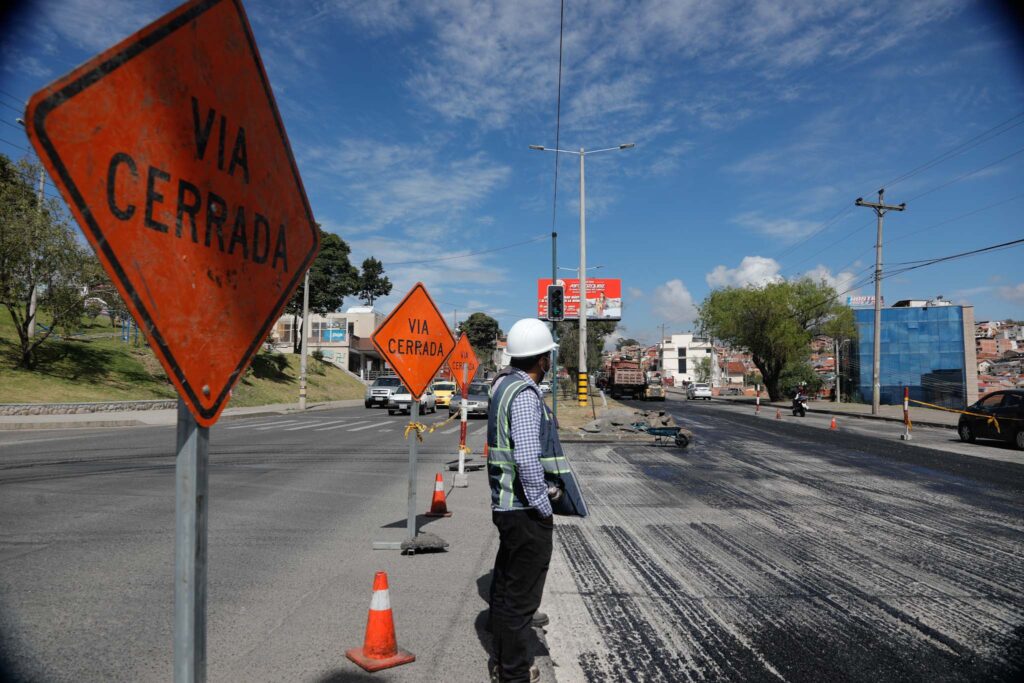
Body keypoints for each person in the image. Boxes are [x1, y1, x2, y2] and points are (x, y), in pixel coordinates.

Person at [486, 318, 585, 683]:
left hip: (506, 505)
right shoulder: (525, 394)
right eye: (549, 359)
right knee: (522, 600)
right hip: (525, 510)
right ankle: (513, 674)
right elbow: (527, 459)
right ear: (543, 360)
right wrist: (545, 507)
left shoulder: (502, 385)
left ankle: (502, 661)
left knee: (506, 589)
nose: (551, 364)